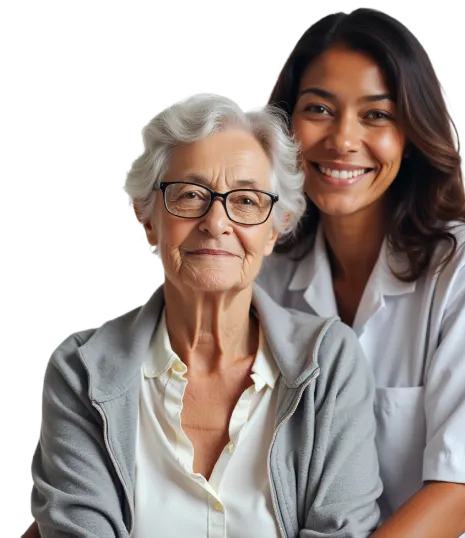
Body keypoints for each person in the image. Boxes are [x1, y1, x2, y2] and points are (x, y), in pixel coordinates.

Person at [26, 91, 383, 537]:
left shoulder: (329, 363)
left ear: (277, 228)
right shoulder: (81, 370)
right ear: (147, 218)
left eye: (248, 201)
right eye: (191, 195)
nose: (216, 222)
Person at [258, 7, 465, 538]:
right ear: (285, 125)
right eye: (319, 108)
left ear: (411, 134)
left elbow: (459, 494)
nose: (343, 140)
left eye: (376, 115)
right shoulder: (265, 273)